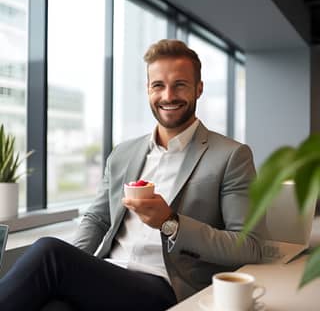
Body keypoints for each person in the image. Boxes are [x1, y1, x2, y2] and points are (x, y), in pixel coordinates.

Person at [0, 39, 263, 311]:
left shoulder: (231, 155)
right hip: (107, 273)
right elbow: (97, 218)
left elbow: (249, 247)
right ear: (148, 90)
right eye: (158, 85)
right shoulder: (123, 154)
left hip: (165, 285)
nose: (168, 96)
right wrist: (75, 263)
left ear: (199, 88)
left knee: (49, 252)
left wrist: (170, 223)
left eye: (180, 84)